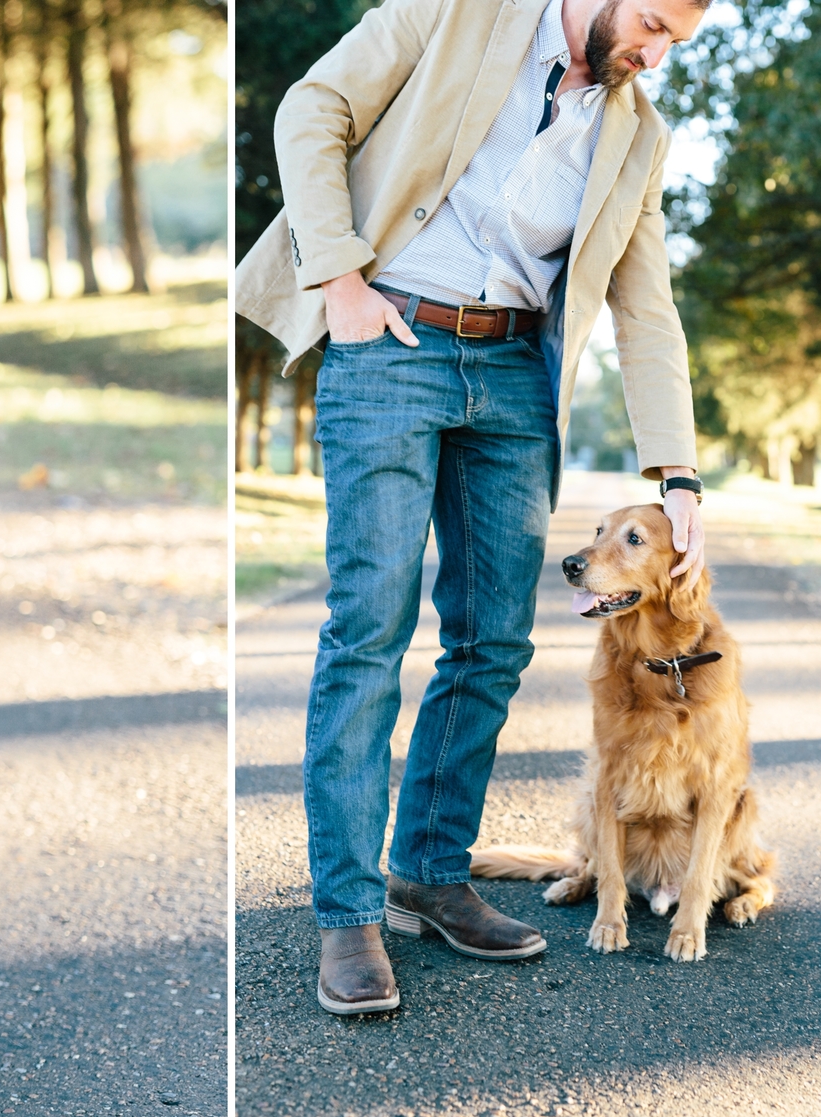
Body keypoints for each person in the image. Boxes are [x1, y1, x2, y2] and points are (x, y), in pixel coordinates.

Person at [233, 0, 715, 1015]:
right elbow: (311, 106)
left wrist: (676, 472)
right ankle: (347, 914)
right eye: (652, 21)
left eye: (676, 39)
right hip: (390, 341)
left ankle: (428, 872)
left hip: (511, 379)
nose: (655, 51)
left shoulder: (638, 130)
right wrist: (339, 277)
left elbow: (643, 301)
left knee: (492, 641)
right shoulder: (460, 9)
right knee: (369, 629)